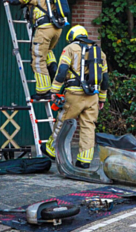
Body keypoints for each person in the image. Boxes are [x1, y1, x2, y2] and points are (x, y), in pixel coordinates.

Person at [44, 25, 109, 168]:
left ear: (72, 37)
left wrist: (54, 91)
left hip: (74, 94)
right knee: (88, 127)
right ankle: (84, 161)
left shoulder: (71, 49)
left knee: (63, 121)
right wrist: (102, 99)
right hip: (93, 96)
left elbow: (62, 71)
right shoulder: (99, 52)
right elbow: (105, 79)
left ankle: (51, 150)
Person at [0, 0, 64, 100]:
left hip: (44, 29)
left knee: (38, 59)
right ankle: (53, 71)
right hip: (56, 29)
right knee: (47, 52)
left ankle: (43, 91)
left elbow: (16, 0)